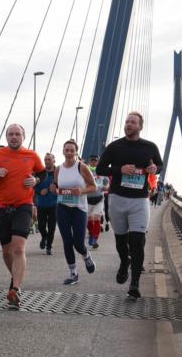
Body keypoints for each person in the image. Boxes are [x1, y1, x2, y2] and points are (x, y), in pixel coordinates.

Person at [0, 124, 46, 308]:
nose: (14, 137)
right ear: (6, 137)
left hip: (24, 207)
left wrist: (35, 180)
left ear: (23, 136)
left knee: (18, 248)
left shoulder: (32, 155)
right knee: (6, 251)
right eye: (10, 134)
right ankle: (15, 278)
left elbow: (43, 174)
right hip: (2, 208)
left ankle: (16, 289)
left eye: (17, 134)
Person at [95, 111, 163, 299]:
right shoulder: (114, 147)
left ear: (140, 126)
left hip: (140, 200)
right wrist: (119, 169)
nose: (128, 125)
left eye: (132, 122)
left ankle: (134, 284)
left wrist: (154, 169)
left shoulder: (149, 147)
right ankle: (124, 262)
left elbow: (160, 165)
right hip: (118, 198)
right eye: (126, 122)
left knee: (137, 241)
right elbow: (100, 168)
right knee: (120, 241)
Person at [50, 140, 97, 284]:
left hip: (79, 209)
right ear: (63, 152)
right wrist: (53, 187)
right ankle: (73, 273)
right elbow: (56, 184)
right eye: (67, 150)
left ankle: (86, 255)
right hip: (63, 207)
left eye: (72, 150)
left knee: (78, 243)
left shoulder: (82, 167)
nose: (69, 153)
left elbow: (93, 187)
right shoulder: (58, 169)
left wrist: (81, 190)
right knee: (67, 241)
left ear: (76, 152)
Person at [34, 152, 57, 255]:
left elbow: (63, 185)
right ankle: (44, 236)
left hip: (54, 204)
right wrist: (39, 191)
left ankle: (49, 246)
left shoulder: (58, 173)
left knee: (52, 227)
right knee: (41, 226)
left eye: (49, 159)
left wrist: (56, 189)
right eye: (46, 159)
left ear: (54, 160)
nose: (47, 161)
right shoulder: (39, 173)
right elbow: (33, 186)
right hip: (42, 203)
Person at [86, 155, 106, 249]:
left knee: (97, 217)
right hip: (87, 199)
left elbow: (107, 183)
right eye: (92, 161)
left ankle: (95, 239)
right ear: (89, 161)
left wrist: (106, 187)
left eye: (95, 161)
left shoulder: (101, 171)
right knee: (89, 219)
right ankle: (91, 233)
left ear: (98, 162)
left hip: (99, 198)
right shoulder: (85, 171)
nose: (93, 162)